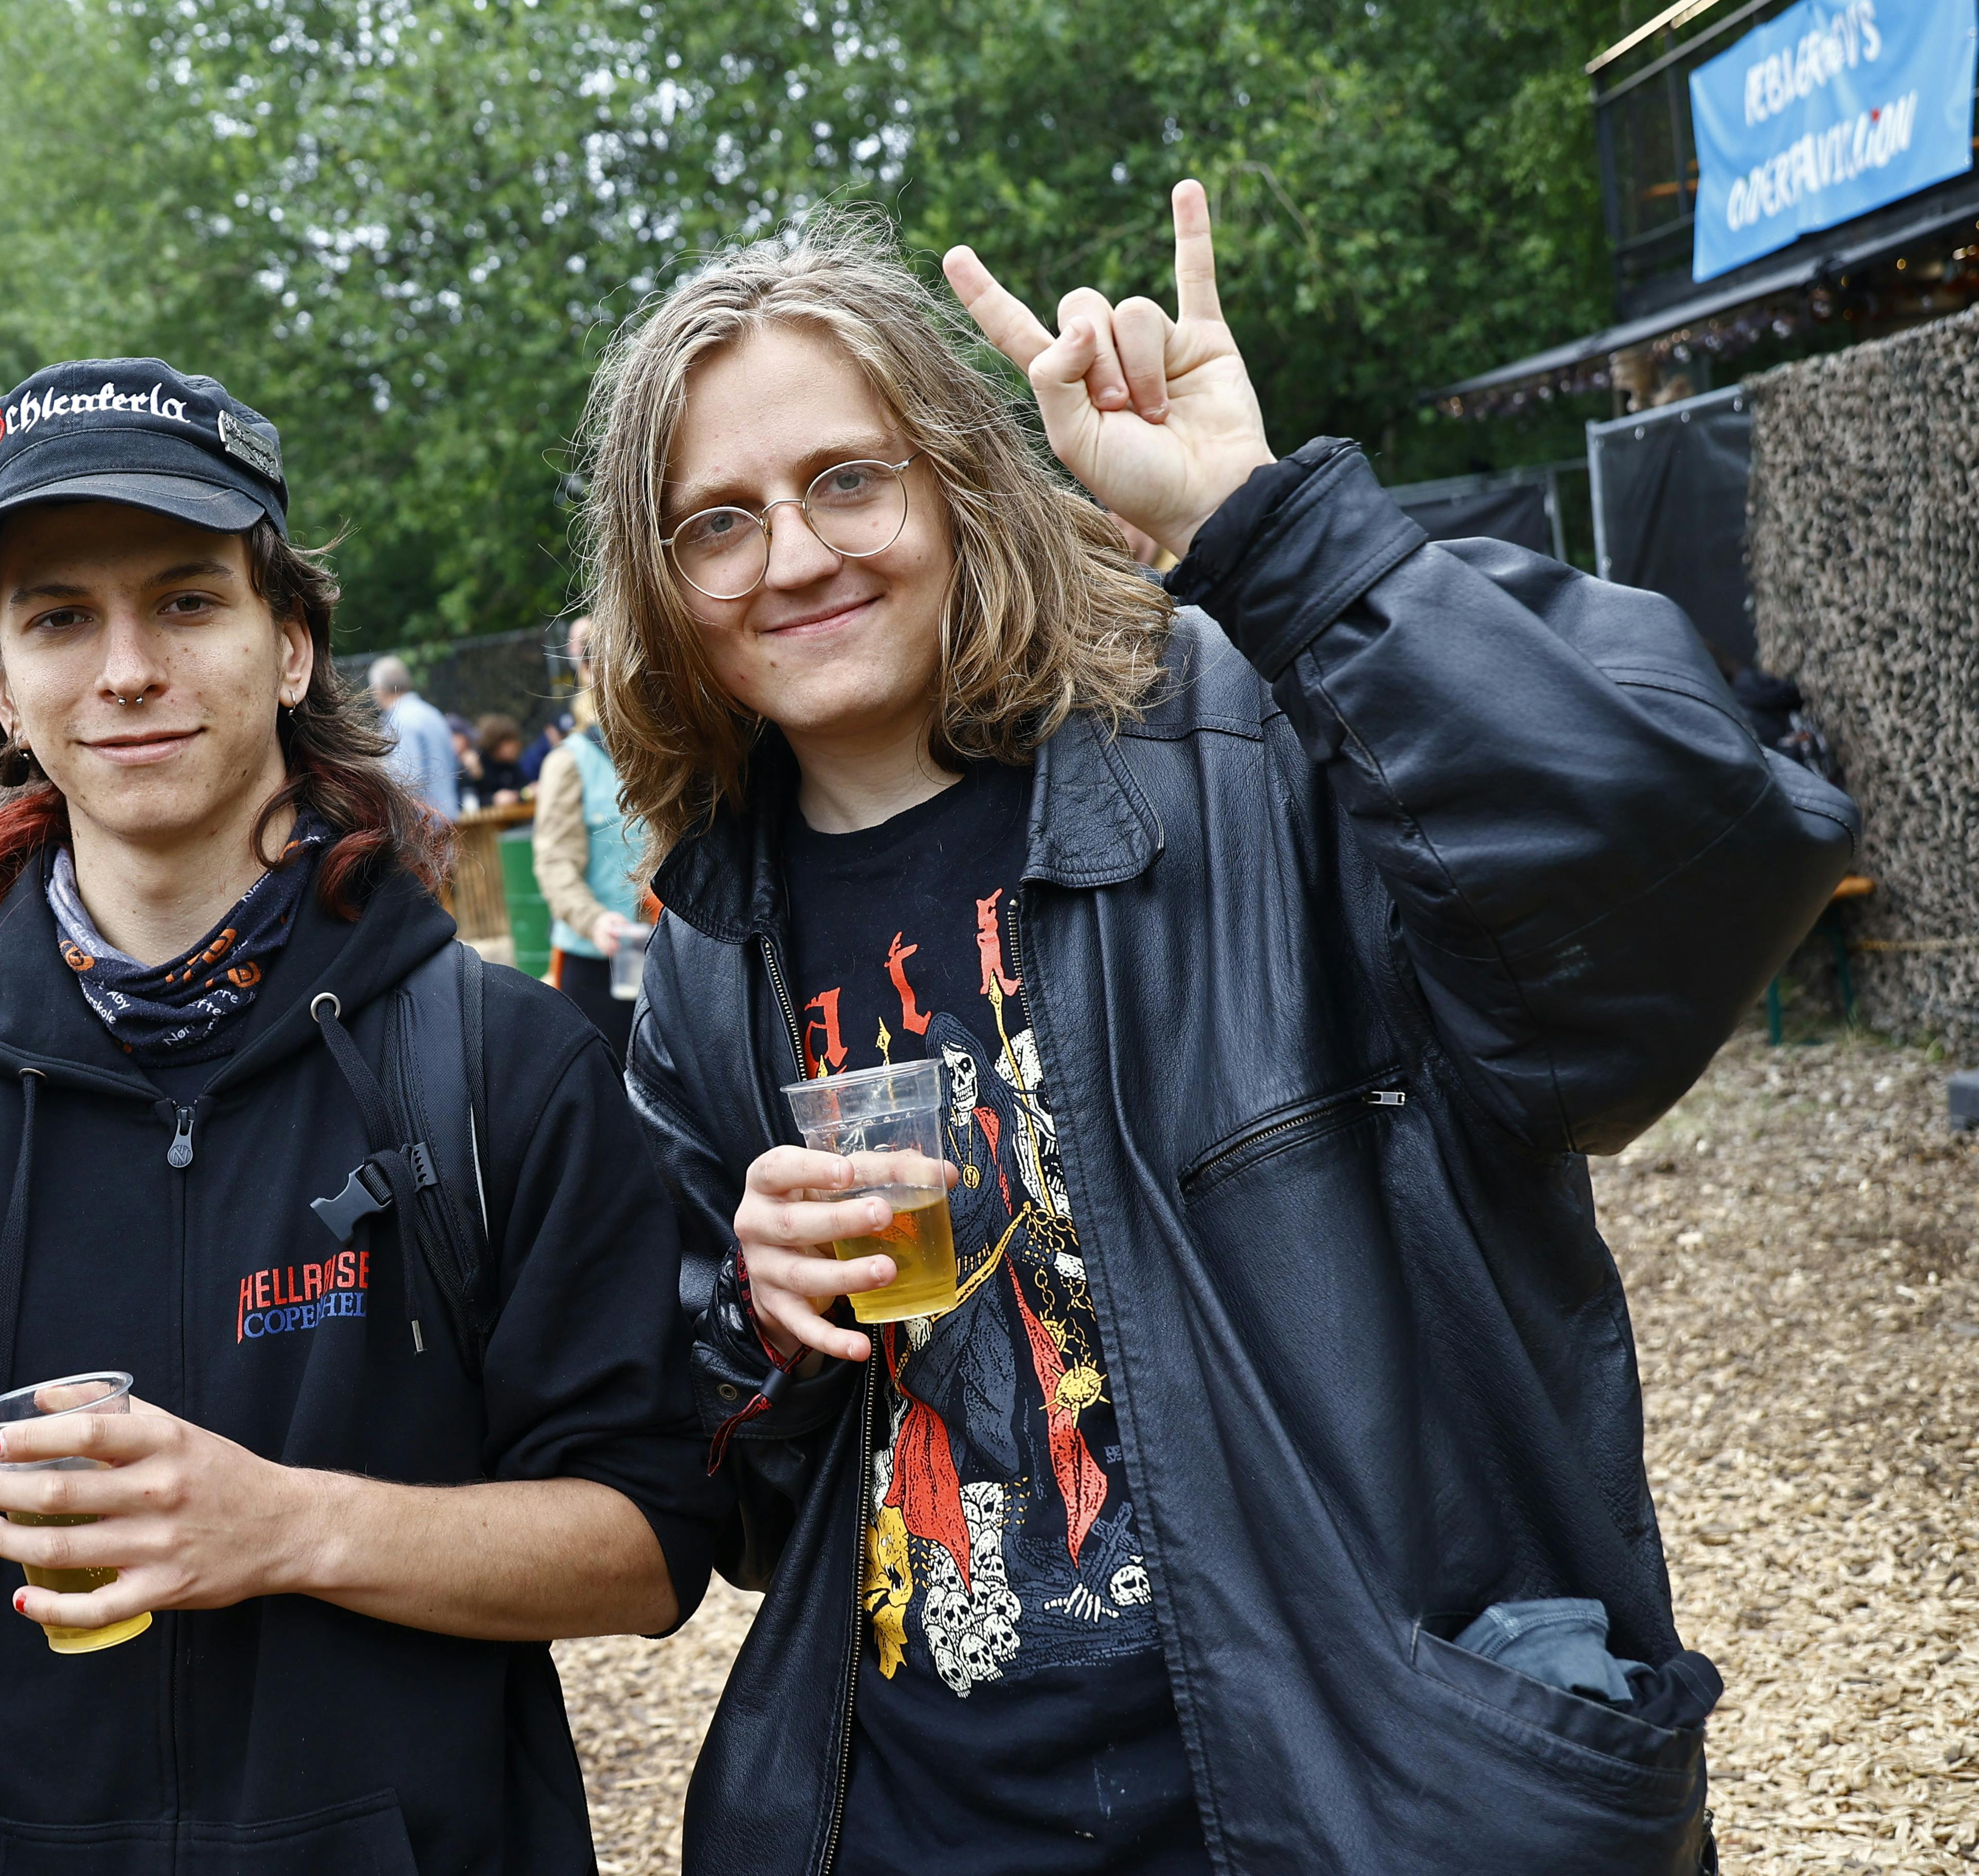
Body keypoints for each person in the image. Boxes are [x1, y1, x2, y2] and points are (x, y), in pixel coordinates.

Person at [586, 194, 1854, 1873]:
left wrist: (1270, 531)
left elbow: (1689, 879)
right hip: (920, 1812)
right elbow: (732, 1498)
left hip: (1344, 1798)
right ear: (662, 583)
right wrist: (757, 1318)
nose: (796, 555)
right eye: (716, 522)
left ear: (957, 478)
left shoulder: (1253, 741)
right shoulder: (708, 952)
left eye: (845, 478)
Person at [0, 356, 719, 1876]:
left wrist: (289, 1528)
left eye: (187, 600)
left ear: (293, 644)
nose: (127, 669)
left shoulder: (497, 1071)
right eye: (58, 616)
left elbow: (650, 1549)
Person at [532, 618, 652, 1055]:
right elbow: (554, 864)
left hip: (670, 954)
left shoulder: (667, 750)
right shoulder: (570, 762)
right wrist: (594, 920)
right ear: (585, 672)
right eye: (595, 658)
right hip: (598, 962)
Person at [368, 653, 461, 819]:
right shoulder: (433, 713)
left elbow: (403, 780)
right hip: (449, 820)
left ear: (380, 689)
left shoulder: (398, 720)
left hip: (423, 825)